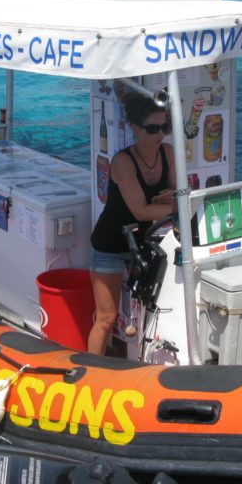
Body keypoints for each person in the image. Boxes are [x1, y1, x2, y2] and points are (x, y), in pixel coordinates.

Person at [88, 92, 176, 355]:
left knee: (144, 313)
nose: (160, 134)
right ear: (136, 128)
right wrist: (178, 206)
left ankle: (137, 361)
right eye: (152, 128)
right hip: (110, 245)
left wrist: (173, 197)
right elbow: (140, 210)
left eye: (165, 127)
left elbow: (173, 190)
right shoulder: (123, 162)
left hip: (144, 244)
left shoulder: (168, 153)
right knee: (107, 318)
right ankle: (90, 371)